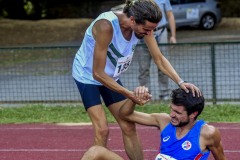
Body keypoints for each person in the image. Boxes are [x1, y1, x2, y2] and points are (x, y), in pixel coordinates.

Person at [72, 0, 201, 159]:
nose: (149, 33)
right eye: (147, 29)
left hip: (111, 76)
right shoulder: (106, 26)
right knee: (102, 129)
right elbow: (97, 73)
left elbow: (159, 59)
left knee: (128, 124)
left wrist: (181, 82)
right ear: (132, 20)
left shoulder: (144, 28)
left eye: (152, 30)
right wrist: (130, 94)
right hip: (88, 76)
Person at [81, 87, 227, 160]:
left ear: (193, 114)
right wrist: (133, 98)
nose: (172, 115)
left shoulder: (208, 133)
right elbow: (125, 115)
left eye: (178, 113)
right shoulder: (164, 121)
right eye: (172, 109)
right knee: (96, 152)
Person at [137, 0, 177, 100]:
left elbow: (170, 15)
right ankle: (145, 94)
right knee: (143, 67)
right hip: (144, 34)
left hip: (160, 32)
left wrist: (173, 36)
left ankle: (164, 93)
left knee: (162, 63)